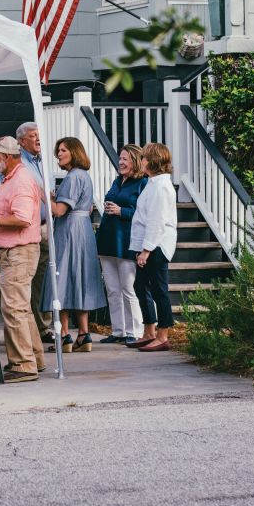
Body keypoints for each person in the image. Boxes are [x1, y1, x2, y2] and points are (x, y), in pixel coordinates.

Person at [0, 136, 45, 382]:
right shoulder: (13, 178)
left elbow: (22, 219)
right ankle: (34, 358)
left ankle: (23, 364)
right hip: (18, 252)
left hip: (18, 252)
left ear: (6, 156)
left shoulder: (20, 181)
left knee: (13, 308)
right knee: (21, 308)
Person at [0, 121, 54, 343]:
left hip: (31, 236)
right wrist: (5, 198)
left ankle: (28, 354)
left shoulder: (27, 171)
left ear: (5, 156)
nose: (38, 139)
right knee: (22, 302)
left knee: (21, 302)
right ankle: (33, 348)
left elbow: (22, 218)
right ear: (22, 142)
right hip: (28, 235)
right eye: (33, 135)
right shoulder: (16, 171)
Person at [41, 136, 106, 352]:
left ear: (74, 152)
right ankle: (84, 335)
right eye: (58, 151)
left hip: (69, 231)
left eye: (63, 150)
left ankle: (64, 335)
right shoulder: (84, 176)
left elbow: (60, 211)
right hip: (83, 229)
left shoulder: (72, 177)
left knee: (62, 277)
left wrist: (43, 196)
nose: (58, 154)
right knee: (79, 279)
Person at [128, 141, 178, 352]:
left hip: (156, 246)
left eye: (144, 157)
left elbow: (156, 221)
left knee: (159, 290)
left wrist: (146, 250)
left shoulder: (161, 187)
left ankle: (163, 335)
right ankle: (149, 331)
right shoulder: (153, 183)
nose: (141, 161)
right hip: (147, 245)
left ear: (152, 161)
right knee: (140, 286)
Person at [95, 143, 147, 345]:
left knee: (128, 288)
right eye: (120, 158)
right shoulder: (118, 180)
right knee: (112, 289)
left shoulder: (142, 183)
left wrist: (121, 211)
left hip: (126, 241)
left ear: (135, 161)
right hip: (108, 240)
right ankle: (118, 331)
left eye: (125, 159)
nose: (121, 162)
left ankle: (135, 331)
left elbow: (144, 214)